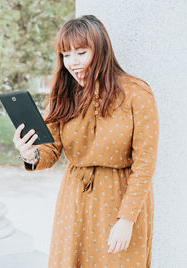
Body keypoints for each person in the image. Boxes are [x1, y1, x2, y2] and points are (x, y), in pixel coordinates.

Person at [13, 15, 159, 268]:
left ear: (101, 51)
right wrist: (30, 155)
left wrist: (126, 219)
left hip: (121, 199)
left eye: (81, 52)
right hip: (75, 199)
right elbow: (51, 152)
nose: (72, 62)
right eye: (65, 55)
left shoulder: (137, 93)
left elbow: (145, 164)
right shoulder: (63, 93)